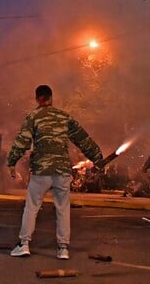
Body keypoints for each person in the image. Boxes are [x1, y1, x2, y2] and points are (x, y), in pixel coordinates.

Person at [7, 85, 103, 260]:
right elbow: (83, 139)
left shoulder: (33, 116)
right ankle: (63, 248)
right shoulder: (64, 116)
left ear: (38, 99)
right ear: (51, 98)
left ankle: (24, 244)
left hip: (41, 171)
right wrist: (98, 158)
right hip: (62, 171)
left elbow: (22, 141)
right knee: (63, 208)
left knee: (32, 207)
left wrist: (11, 162)